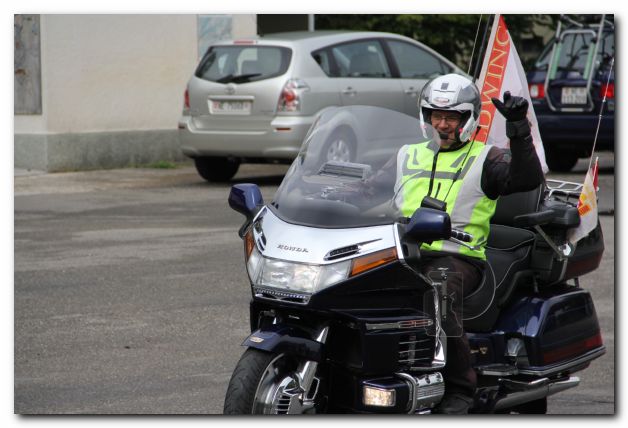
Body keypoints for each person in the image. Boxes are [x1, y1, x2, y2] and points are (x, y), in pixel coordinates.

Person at [395, 74, 545, 414]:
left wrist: (519, 128)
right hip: (403, 251)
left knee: (437, 292)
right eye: (436, 115)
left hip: (458, 258)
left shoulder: (486, 159)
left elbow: (527, 178)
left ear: (467, 120)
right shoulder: (407, 154)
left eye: (451, 117)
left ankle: (460, 389)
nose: (443, 124)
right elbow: (371, 190)